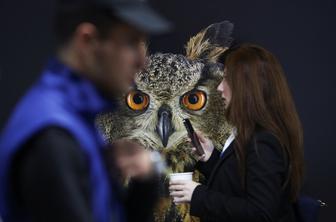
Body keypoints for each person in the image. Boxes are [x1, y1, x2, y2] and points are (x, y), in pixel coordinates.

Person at [0, 0, 171, 222]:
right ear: (88, 41)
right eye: (131, 43)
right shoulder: (52, 136)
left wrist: (143, 182)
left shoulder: (77, 119)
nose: (142, 62)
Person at [169, 44, 304, 222]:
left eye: (226, 79)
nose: (219, 88)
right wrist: (211, 158)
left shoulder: (264, 142)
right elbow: (238, 185)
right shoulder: (251, 133)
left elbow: (260, 214)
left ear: (245, 87)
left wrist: (198, 195)